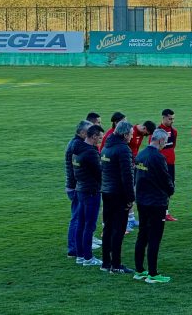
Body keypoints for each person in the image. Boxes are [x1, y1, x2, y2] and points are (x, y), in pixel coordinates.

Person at [133, 129, 175, 283]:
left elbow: (136, 178)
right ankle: (153, 273)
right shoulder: (158, 157)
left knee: (142, 235)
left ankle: (139, 270)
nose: (165, 144)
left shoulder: (141, 154)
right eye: (165, 141)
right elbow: (165, 178)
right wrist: (171, 190)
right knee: (155, 237)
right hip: (156, 202)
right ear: (160, 141)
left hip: (142, 201)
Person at [100, 121, 136, 274]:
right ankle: (116, 264)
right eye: (131, 134)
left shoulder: (106, 147)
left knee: (108, 228)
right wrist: (130, 198)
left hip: (106, 192)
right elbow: (127, 177)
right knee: (118, 230)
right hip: (119, 195)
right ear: (125, 134)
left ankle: (106, 263)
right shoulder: (123, 150)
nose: (132, 136)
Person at [72, 124, 103, 267]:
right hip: (91, 192)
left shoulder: (77, 149)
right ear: (94, 136)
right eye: (100, 137)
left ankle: (80, 256)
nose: (100, 140)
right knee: (89, 225)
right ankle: (88, 258)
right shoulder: (91, 153)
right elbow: (99, 173)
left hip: (81, 189)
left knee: (81, 224)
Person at [66, 120, 92, 258]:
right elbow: (76, 170)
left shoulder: (74, 143)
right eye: (88, 133)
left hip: (74, 185)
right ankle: (73, 249)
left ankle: (76, 247)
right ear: (82, 133)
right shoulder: (77, 145)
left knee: (79, 218)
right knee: (77, 218)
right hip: (77, 187)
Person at [157, 109, 179, 221]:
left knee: (169, 187)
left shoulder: (174, 132)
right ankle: (159, 212)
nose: (172, 121)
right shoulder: (157, 132)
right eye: (170, 119)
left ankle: (165, 212)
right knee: (160, 187)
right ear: (164, 117)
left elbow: (172, 146)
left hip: (171, 164)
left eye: (173, 119)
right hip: (160, 164)